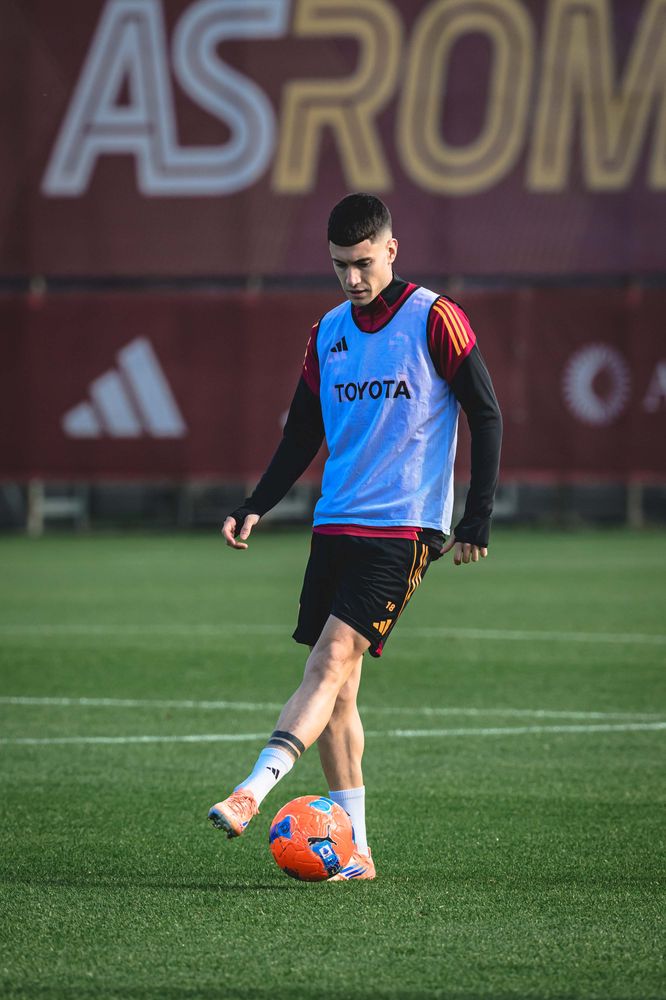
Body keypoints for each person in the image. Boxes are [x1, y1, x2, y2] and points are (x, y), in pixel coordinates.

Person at [209, 193, 502, 880]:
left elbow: (485, 414)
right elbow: (302, 432)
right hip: (334, 522)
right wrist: (257, 503)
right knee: (339, 694)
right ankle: (359, 852)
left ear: (392, 250)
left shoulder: (436, 319)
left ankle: (253, 789)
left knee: (331, 660)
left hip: (402, 528)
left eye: (364, 263)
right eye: (341, 265)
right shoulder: (329, 332)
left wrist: (477, 516)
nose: (352, 278)